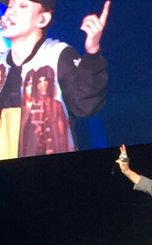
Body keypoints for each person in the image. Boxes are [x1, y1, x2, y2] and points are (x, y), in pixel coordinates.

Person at [0, 0, 110, 160]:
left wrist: (92, 52)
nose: (10, 12)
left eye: (23, 6)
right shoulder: (1, 64)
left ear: (42, 19)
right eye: (10, 6)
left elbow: (85, 105)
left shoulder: (57, 55)